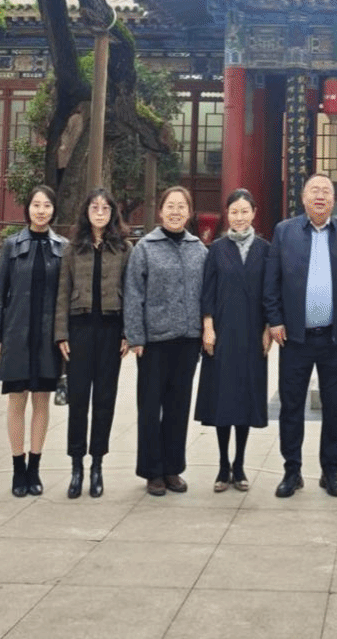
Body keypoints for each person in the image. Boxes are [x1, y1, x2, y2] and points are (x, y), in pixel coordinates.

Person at [264, 173, 337, 498]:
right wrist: (275, 320)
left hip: (334, 340)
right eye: (314, 190)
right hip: (295, 339)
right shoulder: (285, 232)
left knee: (334, 409)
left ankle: (330, 472)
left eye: (326, 191)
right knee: (291, 407)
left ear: (334, 199)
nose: (320, 196)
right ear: (304, 197)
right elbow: (271, 282)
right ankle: (292, 471)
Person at [124, 185, 207, 497]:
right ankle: (152, 471)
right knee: (150, 407)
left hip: (188, 341)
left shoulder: (199, 249)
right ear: (160, 211)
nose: (175, 212)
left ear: (189, 212)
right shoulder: (145, 248)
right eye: (170, 206)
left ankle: (172, 468)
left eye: (181, 206)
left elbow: (207, 294)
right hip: (154, 342)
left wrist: (204, 331)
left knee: (178, 406)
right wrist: (135, 336)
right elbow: (133, 294)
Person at [0, 184, 67, 497]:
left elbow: (64, 297)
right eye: (36, 204)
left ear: (53, 210)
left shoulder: (63, 247)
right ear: (28, 209)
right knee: (16, 400)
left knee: (41, 401)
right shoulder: (12, 245)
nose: (41, 210)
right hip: (16, 334)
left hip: (46, 337)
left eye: (47, 205)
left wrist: (63, 335)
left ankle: (35, 468)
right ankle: (17, 469)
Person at [54, 188, 130, 499]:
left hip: (111, 330)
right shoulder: (72, 249)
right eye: (94, 207)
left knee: (104, 400)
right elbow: (62, 292)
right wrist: (61, 334)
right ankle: (77, 466)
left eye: (105, 208)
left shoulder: (123, 248)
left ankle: (97, 464)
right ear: (86, 212)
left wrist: (128, 333)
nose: (99, 212)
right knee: (79, 401)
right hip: (80, 330)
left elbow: (131, 292)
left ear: (113, 213)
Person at [194, 188, 271, 492]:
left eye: (244, 211)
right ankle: (223, 464)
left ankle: (239, 465)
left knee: (245, 400)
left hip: (252, 334)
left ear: (254, 213)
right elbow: (207, 292)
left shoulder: (265, 250)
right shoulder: (216, 249)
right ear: (227, 215)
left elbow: (270, 292)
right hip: (223, 333)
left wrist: (268, 329)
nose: (239, 217)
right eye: (234, 212)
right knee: (223, 399)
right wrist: (208, 326)